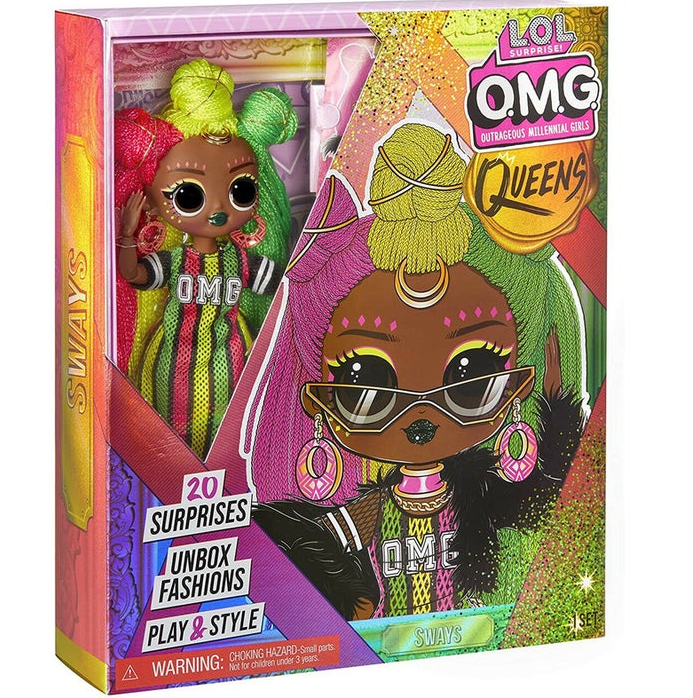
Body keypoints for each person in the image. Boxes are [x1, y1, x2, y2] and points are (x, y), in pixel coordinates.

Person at [247, 122, 587, 619]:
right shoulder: (374, 509)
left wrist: (560, 432)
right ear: (319, 399)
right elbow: (310, 545)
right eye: (366, 384)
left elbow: (539, 508)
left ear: (517, 385)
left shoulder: (478, 493)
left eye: (471, 376)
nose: (422, 415)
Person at [115, 58, 297, 457]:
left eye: (240, 191)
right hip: (171, 366)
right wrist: (127, 234)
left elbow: (284, 287)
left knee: (225, 433)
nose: (217, 210)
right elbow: (134, 274)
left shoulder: (242, 262)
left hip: (229, 363)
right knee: (170, 436)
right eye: (189, 196)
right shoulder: (174, 261)